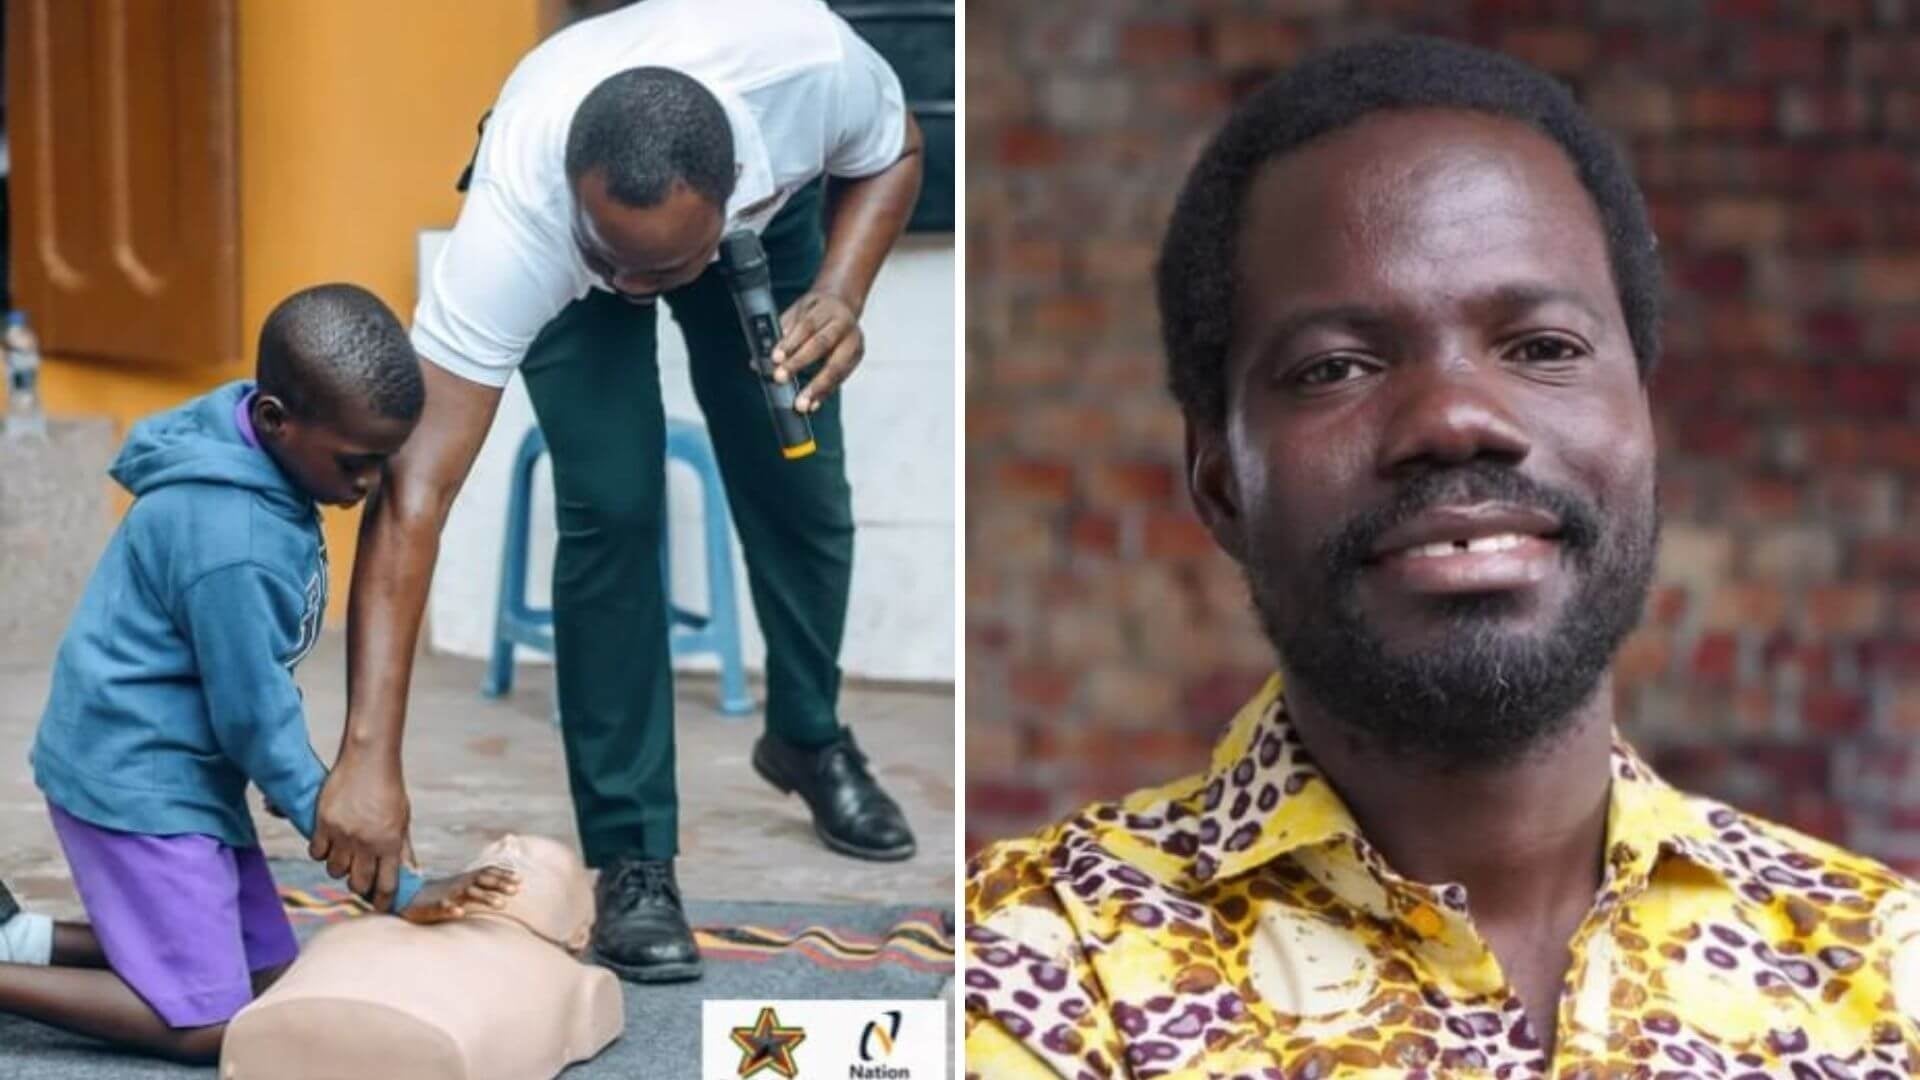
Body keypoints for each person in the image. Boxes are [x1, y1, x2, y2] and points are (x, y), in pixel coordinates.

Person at [964, 35, 1920, 1077]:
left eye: (1544, 348)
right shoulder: (1033, 973)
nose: (1458, 417)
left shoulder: (1883, 973)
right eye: (1336, 366)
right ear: (1221, 481)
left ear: (1643, 421)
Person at [313, 0, 926, 984]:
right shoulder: (522, 228)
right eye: (618, 263)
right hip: (575, 243)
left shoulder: (811, 71)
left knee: (800, 481)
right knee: (613, 507)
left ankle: (810, 738)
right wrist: (369, 754)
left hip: (749, 239)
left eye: (663, 270)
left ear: (740, 193)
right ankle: (634, 855)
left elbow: (897, 149)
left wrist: (842, 295)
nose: (638, 289)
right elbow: (416, 492)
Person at [0, 285, 517, 1065]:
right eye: (357, 463)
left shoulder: (256, 450)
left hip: (186, 772)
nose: (371, 487)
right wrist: (391, 881)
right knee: (215, 1023)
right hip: (134, 781)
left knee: (272, 978)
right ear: (276, 419)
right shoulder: (233, 541)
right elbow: (255, 721)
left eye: (385, 461)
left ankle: (25, 940)